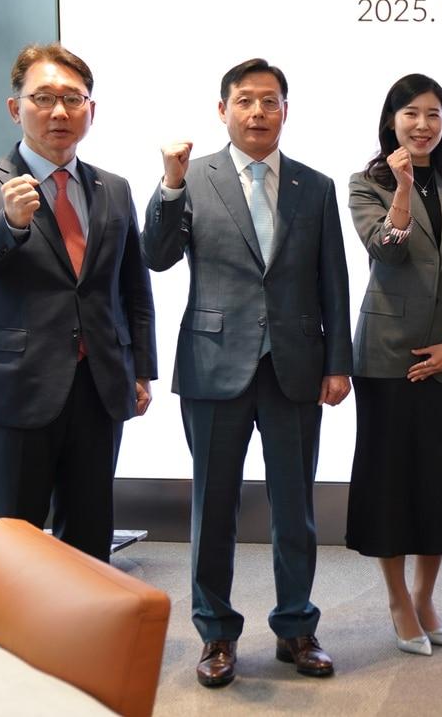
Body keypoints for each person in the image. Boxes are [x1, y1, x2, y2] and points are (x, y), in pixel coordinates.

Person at [141, 58, 353, 686]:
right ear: (223, 110)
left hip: (295, 366)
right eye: (244, 100)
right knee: (214, 506)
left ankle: (296, 627)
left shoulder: (315, 185)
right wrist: (169, 184)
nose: (257, 112)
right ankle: (215, 633)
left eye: (269, 101)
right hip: (214, 365)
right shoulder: (192, 177)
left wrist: (338, 363)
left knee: (296, 507)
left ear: (286, 110)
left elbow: (333, 280)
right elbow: (157, 255)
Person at [0, 43, 156, 562]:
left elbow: (133, 288)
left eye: (73, 99)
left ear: (90, 110)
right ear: (15, 108)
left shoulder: (113, 188)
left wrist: (141, 369)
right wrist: (9, 224)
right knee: (13, 543)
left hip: (100, 385)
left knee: (90, 538)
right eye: (43, 98)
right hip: (18, 388)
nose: (59, 111)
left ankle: (85, 619)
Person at [346, 74, 442, 656]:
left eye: (434, 114)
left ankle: (426, 597)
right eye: (411, 113)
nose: (423, 124)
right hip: (388, 357)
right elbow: (386, 249)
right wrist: (403, 187)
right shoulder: (367, 183)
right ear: (392, 121)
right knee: (390, 485)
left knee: (439, 484)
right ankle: (397, 599)